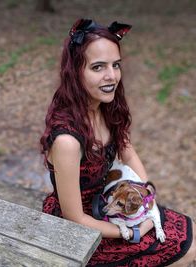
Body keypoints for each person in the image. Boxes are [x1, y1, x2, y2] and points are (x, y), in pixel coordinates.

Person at [40, 19, 196, 267]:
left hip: (113, 200)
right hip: (84, 227)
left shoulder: (106, 110)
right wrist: (135, 230)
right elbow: (74, 217)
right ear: (75, 71)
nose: (111, 75)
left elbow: (130, 155)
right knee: (185, 250)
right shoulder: (67, 140)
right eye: (98, 67)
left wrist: (145, 198)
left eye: (116, 65)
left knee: (192, 234)